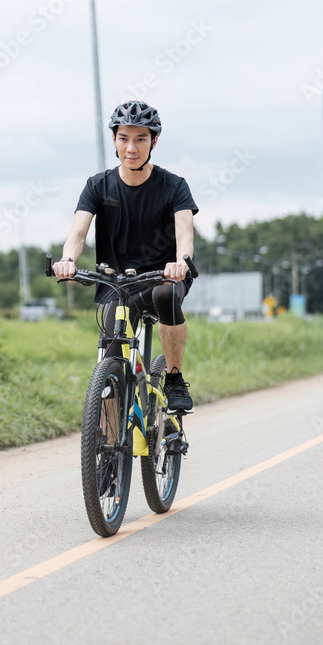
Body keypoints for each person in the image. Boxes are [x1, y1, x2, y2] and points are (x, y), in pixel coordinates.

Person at [53, 100, 198, 414]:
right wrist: (68, 260)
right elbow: (77, 234)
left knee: (166, 294)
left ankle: (174, 379)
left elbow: (185, 233)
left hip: (162, 277)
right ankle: (105, 458)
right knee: (108, 377)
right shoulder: (97, 186)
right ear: (115, 139)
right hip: (116, 282)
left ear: (154, 141)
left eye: (141, 139)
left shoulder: (174, 187)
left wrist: (181, 262)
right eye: (124, 138)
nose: (131, 147)